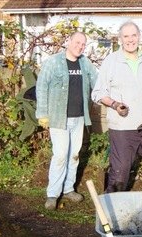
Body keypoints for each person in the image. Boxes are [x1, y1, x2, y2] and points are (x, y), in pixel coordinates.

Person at [91, 21, 142, 193]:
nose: (130, 40)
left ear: (139, 37)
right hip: (122, 129)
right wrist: (115, 104)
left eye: (133, 35)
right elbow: (97, 93)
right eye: (126, 36)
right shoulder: (111, 62)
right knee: (119, 174)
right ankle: (109, 212)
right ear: (120, 39)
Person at [36, 31, 98, 210]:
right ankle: (53, 194)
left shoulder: (85, 63)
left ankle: (69, 188)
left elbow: (97, 83)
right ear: (68, 42)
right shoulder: (52, 62)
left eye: (83, 44)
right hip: (58, 117)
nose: (80, 46)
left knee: (74, 154)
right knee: (61, 155)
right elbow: (41, 87)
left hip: (79, 117)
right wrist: (42, 113)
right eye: (77, 42)